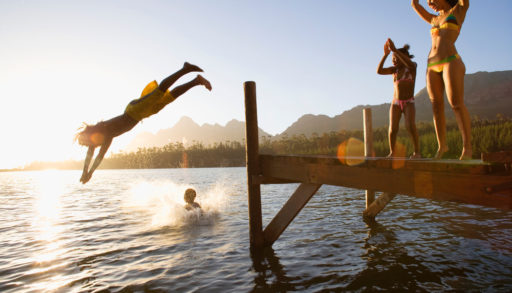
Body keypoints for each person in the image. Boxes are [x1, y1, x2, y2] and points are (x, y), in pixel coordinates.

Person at [76, 62, 212, 183]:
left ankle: (185, 69)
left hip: (134, 110)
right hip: (139, 115)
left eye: (85, 142)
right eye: (85, 145)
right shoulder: (100, 138)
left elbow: (98, 156)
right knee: (167, 98)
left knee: (159, 92)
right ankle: (196, 81)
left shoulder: (106, 132)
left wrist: (90, 173)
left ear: (90, 135)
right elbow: (90, 156)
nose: (87, 146)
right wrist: (85, 173)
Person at [411, 0, 471, 160]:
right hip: (432, 64)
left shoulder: (458, 10)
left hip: (450, 60)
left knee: (456, 103)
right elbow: (414, 5)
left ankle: (467, 148)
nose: (430, 3)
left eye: (432, 0)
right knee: (436, 106)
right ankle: (442, 146)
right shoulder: (433, 19)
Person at [377, 38, 421, 158]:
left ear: (403, 57)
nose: (394, 61)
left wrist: (395, 50)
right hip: (396, 102)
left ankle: (417, 152)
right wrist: (385, 55)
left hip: (409, 102)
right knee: (393, 128)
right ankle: (393, 152)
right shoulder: (394, 71)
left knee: (410, 126)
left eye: (396, 58)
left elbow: (410, 63)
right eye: (393, 59)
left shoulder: (412, 67)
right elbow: (379, 71)